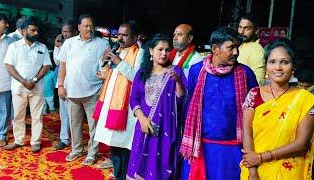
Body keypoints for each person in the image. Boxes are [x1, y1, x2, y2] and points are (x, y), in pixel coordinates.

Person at [180, 27, 258, 180]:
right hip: (201, 146)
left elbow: (256, 109)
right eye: (231, 47)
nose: (236, 52)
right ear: (215, 49)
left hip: (235, 148)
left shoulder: (245, 73)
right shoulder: (197, 71)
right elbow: (189, 107)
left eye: (237, 47)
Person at [240, 38, 314, 179]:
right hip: (255, 170)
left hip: (289, 172)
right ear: (266, 66)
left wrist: (262, 157)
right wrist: (253, 172)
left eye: (284, 62)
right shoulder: (254, 94)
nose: (278, 68)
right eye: (272, 62)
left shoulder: (306, 99)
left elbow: (302, 143)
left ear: (293, 68)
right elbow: (247, 134)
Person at [126, 33, 186, 180]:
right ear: (151, 51)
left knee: (162, 166)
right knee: (138, 164)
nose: (164, 53)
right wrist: (142, 119)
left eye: (167, 50)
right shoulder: (142, 72)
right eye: (160, 49)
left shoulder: (176, 71)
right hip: (143, 127)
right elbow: (134, 99)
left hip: (166, 130)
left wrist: (178, 82)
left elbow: (182, 101)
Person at [93, 21, 144, 179]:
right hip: (111, 104)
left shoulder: (140, 53)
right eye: (119, 34)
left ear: (135, 37)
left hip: (127, 108)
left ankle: (124, 176)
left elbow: (138, 78)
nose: (120, 38)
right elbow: (112, 75)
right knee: (114, 144)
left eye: (125, 35)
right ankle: (117, 175)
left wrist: (118, 62)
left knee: (125, 147)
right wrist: (104, 67)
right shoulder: (118, 50)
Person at [57, 14, 109, 165]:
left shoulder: (102, 44)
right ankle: (76, 149)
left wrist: (104, 83)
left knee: (94, 126)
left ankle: (92, 153)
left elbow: (106, 67)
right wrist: (60, 85)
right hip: (71, 92)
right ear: (79, 27)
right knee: (74, 125)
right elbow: (63, 66)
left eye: (91, 26)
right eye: (86, 26)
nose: (89, 28)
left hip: (93, 92)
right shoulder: (69, 43)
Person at [3, 18, 52, 152]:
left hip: (37, 88)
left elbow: (46, 66)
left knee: (37, 116)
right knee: (18, 115)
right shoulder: (14, 46)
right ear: (24, 31)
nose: (36, 33)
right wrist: (24, 81)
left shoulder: (42, 47)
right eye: (33, 30)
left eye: (37, 30)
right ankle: (19, 140)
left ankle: (35, 142)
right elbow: (9, 66)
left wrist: (35, 80)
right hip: (19, 87)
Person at [53, 20, 76, 150]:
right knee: (64, 114)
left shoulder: (77, 44)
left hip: (76, 85)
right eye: (63, 31)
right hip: (63, 84)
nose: (64, 34)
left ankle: (76, 140)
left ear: (74, 32)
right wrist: (57, 46)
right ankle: (64, 139)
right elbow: (57, 62)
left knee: (76, 115)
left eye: (67, 31)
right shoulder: (63, 45)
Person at [0, 13, 13, 147]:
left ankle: (2, 134)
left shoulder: (10, 40)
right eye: (4, 22)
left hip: (5, 81)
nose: (7, 25)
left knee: (4, 110)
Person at [237, 13, 265, 85]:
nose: (241, 32)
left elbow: (258, 82)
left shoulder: (257, 50)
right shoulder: (237, 45)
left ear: (256, 30)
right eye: (240, 27)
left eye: (247, 28)